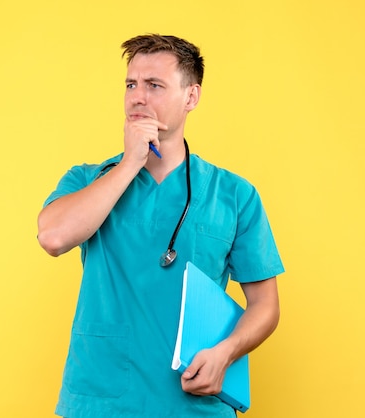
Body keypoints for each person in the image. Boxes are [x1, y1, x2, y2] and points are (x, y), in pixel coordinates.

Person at [37, 34, 284, 418]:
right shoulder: (88, 179)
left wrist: (226, 353)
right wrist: (129, 165)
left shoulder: (234, 195)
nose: (138, 97)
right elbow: (52, 237)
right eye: (131, 84)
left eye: (154, 86)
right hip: (102, 401)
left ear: (191, 97)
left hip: (194, 405)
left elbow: (265, 305)